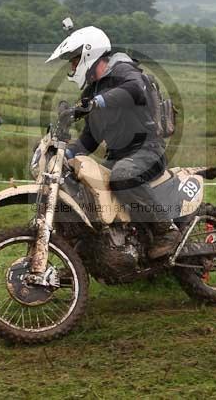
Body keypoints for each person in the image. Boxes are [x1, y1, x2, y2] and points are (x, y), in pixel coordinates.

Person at [45, 24, 179, 259]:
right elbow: (91, 138)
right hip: (116, 156)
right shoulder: (91, 91)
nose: (72, 67)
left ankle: (166, 230)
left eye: (74, 61)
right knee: (78, 180)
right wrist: (64, 154)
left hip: (147, 151)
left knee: (122, 176)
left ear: (88, 53)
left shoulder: (124, 70)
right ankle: (80, 256)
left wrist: (97, 102)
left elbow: (135, 89)